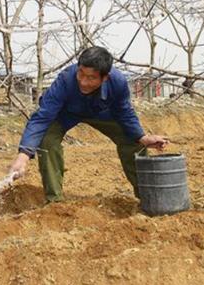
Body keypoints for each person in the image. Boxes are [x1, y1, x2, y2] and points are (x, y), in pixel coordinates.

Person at [9, 46, 169, 202]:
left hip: (102, 113)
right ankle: (54, 200)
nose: (84, 82)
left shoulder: (118, 82)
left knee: (132, 139)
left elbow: (124, 112)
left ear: (105, 77)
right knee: (46, 141)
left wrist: (142, 137)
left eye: (91, 78)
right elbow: (42, 117)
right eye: (81, 74)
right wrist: (24, 155)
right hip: (66, 114)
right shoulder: (65, 79)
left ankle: (148, 198)